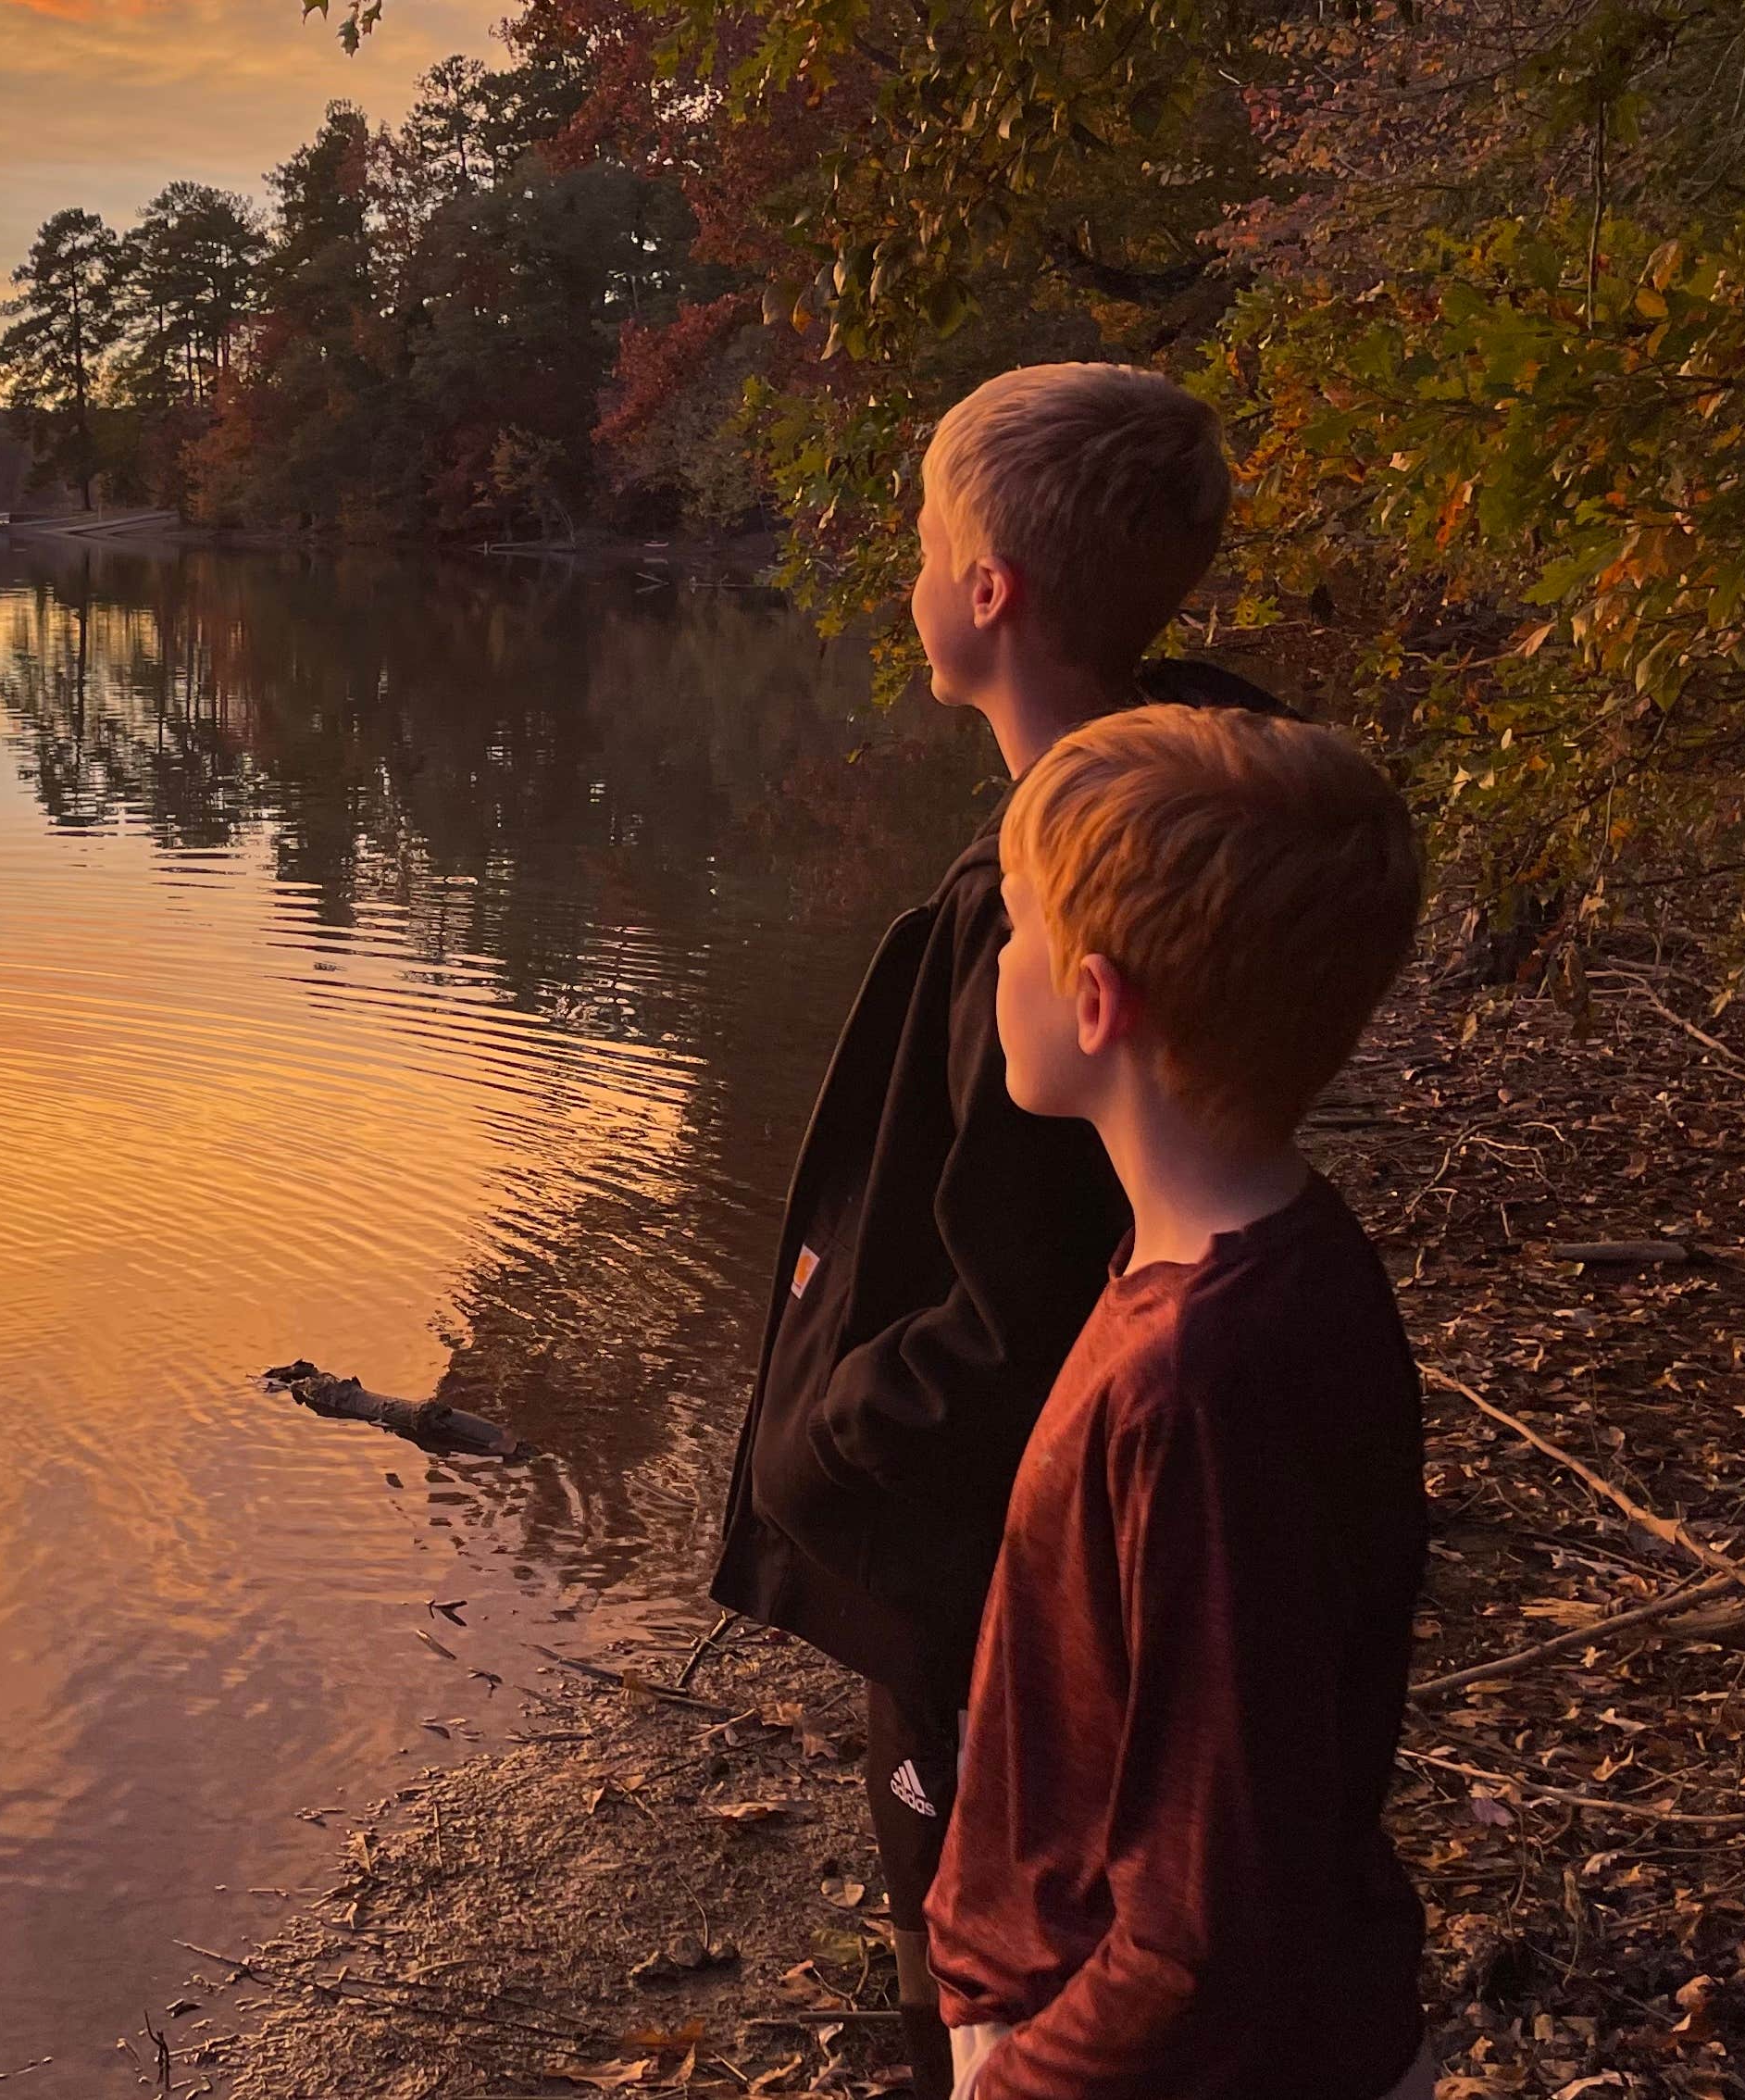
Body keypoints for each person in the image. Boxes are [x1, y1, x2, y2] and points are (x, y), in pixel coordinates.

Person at [706, 361, 1275, 2097]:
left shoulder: (1047, 917)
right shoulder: (1186, 829)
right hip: (1035, 1549)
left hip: (981, 1573)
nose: (903, 575)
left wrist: (821, 1448)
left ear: (989, 593)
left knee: (973, 1952)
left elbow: (1015, 1297)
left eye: (922, 541)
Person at [928, 704, 1432, 2100]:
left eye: (1017, 932)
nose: (996, 967)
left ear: (1097, 1003)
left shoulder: (1201, 1386)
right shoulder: (1263, 1255)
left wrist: (1022, 2083)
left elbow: (1209, 1925)